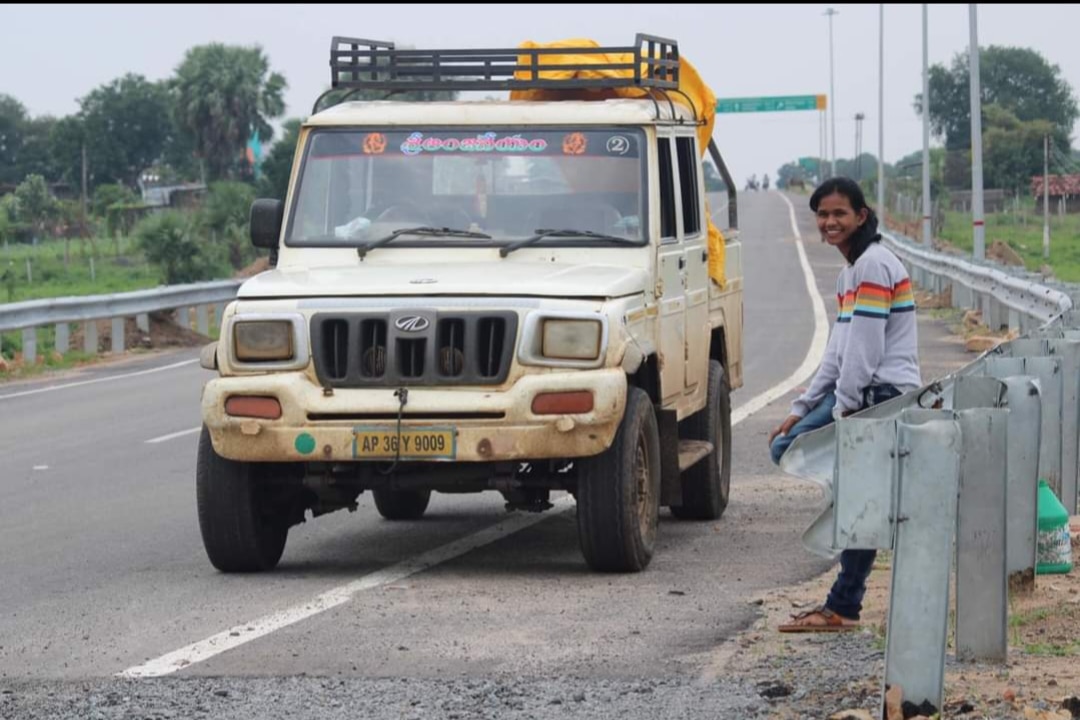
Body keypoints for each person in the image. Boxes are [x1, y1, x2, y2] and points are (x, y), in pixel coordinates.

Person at [767, 176, 922, 632]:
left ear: (861, 216)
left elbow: (865, 351)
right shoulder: (851, 272)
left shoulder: (874, 266)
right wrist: (802, 406)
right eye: (823, 214)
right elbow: (839, 349)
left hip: (881, 396)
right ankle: (844, 597)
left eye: (839, 214)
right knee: (788, 446)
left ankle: (843, 605)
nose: (830, 222)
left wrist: (847, 409)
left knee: (862, 499)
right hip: (859, 394)